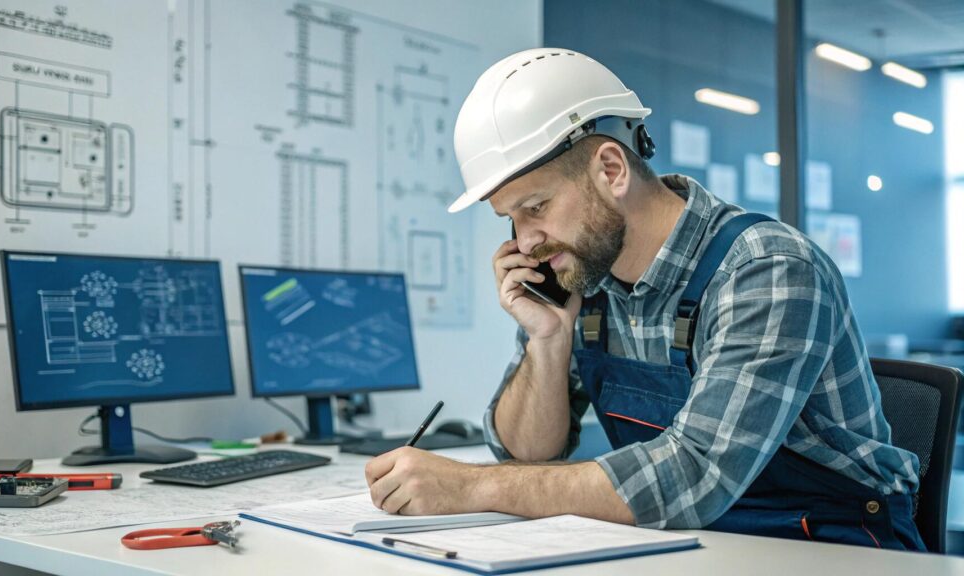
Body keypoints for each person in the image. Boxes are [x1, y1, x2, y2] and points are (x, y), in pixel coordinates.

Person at [364, 48, 925, 550]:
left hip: (833, 546)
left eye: (534, 207)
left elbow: (694, 475)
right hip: (695, 545)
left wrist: (469, 487)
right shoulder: (582, 275)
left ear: (611, 169)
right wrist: (548, 341)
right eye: (510, 218)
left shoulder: (766, 268)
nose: (523, 240)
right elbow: (528, 458)